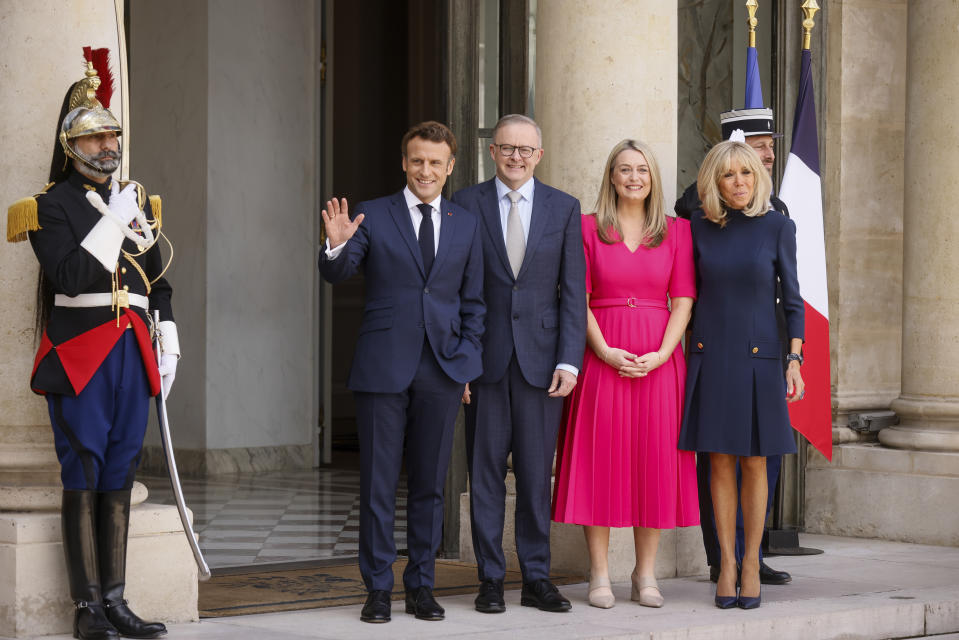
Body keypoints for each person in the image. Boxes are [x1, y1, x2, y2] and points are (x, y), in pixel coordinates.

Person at [6, 54, 174, 640]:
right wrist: (115, 218)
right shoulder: (49, 206)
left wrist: (169, 336)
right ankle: (87, 609)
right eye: (95, 136)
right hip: (81, 354)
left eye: (112, 134)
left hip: (133, 350)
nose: (108, 145)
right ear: (71, 145)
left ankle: (118, 601)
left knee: (122, 472)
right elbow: (72, 277)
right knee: (83, 469)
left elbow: (158, 282)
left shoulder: (135, 199)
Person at [317, 121, 485, 624]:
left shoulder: (466, 222)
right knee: (378, 483)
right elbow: (339, 274)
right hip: (382, 367)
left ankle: (422, 586)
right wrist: (336, 246)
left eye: (436, 162)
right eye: (417, 160)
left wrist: (466, 364)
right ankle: (377, 588)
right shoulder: (373, 215)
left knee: (431, 482)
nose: (426, 170)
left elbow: (473, 303)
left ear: (450, 166)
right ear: (404, 163)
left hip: (443, 369)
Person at [552, 140, 699, 610]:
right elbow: (578, 296)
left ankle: (645, 573)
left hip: (659, 361)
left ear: (653, 178)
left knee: (652, 462)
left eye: (642, 170)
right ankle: (600, 573)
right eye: (624, 170)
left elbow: (683, 300)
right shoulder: (586, 229)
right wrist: (603, 350)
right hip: (602, 355)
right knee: (600, 461)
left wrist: (660, 354)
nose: (634, 178)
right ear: (610, 177)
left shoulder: (677, 232)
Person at [452, 114, 586, 614]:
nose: (515, 157)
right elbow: (454, 289)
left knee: (534, 476)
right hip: (483, 362)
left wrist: (570, 361)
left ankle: (535, 577)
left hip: (542, 364)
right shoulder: (464, 204)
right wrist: (459, 361)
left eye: (525, 150)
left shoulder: (563, 208)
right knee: (484, 474)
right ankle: (489, 579)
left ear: (539, 156)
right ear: (492, 152)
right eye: (506, 148)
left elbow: (573, 293)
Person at [678, 140, 805, 610]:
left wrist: (795, 359)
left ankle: (751, 561)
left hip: (761, 358)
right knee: (718, 462)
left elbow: (793, 300)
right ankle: (725, 563)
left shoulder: (778, 226)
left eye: (747, 174)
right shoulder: (695, 229)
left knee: (755, 461)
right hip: (711, 355)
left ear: (758, 179)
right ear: (713, 180)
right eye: (728, 175)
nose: (738, 183)